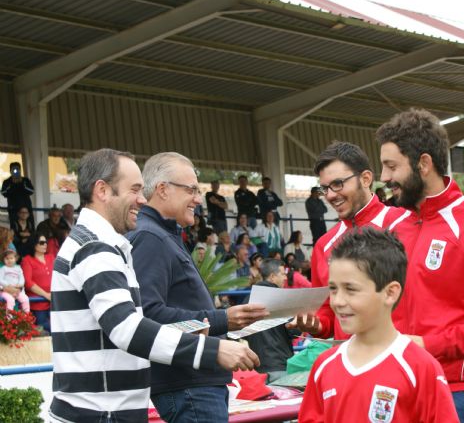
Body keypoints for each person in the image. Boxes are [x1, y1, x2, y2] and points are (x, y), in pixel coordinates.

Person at [50, 149, 254, 422]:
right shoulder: (95, 246)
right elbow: (127, 328)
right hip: (100, 413)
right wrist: (213, 349)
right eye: (134, 189)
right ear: (102, 190)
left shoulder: (98, 243)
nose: (142, 199)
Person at [376, 108, 464, 423]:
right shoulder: (393, 227)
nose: (384, 178)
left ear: (424, 164)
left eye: (391, 166)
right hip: (392, 386)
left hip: (453, 391)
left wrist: (428, 344)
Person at [126, 152, 268, 423]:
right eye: (191, 189)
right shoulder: (150, 236)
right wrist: (223, 319)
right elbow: (147, 315)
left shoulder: (163, 234)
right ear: (162, 189)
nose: (198, 199)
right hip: (187, 386)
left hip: (193, 383)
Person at [299, 228, 458, 423]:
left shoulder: (420, 368)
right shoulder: (324, 366)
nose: (338, 301)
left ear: (390, 293)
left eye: (351, 289)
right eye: (333, 289)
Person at [294, 141, 418, 341]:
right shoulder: (324, 245)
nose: (331, 195)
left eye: (337, 184)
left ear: (366, 179)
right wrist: (317, 324)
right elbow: (326, 309)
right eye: (325, 188)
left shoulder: (407, 225)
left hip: (402, 357)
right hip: (349, 361)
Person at [244, 258, 297, 383]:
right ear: (272, 277)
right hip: (280, 366)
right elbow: (294, 331)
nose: (285, 277)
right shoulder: (282, 299)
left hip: (258, 368)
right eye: (283, 274)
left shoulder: (248, 299)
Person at [21, 234, 54, 332]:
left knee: (58, 328)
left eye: (46, 242)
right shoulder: (27, 260)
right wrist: (46, 295)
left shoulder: (51, 257)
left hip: (54, 301)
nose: (45, 245)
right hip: (38, 303)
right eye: (41, 242)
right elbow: (28, 282)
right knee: (44, 328)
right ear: (34, 244)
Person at [1, 161, 34, 227]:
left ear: (20, 170)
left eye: (17, 169)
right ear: (10, 171)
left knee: (29, 227)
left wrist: (22, 184)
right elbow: (3, 193)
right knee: (14, 228)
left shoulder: (25, 180)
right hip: (13, 209)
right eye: (13, 169)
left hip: (26, 208)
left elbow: (31, 191)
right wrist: (11, 184)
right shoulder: (7, 182)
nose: (15, 171)